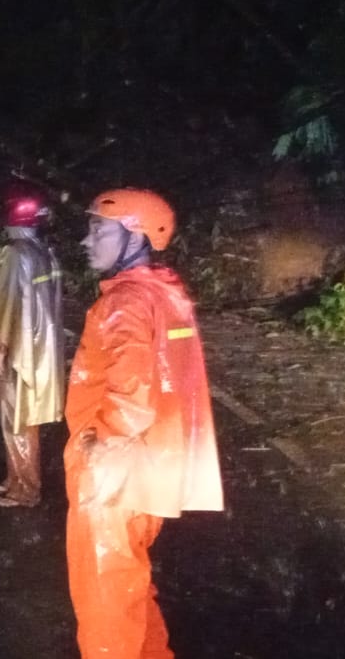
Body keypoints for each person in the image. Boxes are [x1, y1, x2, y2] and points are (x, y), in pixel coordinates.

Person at [65, 189, 223, 659]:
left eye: (99, 229)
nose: (86, 240)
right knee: (129, 584)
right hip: (155, 466)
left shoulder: (126, 302)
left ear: (135, 236)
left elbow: (131, 389)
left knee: (105, 596)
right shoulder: (166, 293)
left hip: (117, 469)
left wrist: (103, 443)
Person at [0, 190, 64, 508]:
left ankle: (26, 489)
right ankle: (15, 477)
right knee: (22, 417)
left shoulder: (13, 253)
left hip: (17, 350)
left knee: (16, 418)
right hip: (39, 351)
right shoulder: (45, 252)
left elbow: (7, 302)